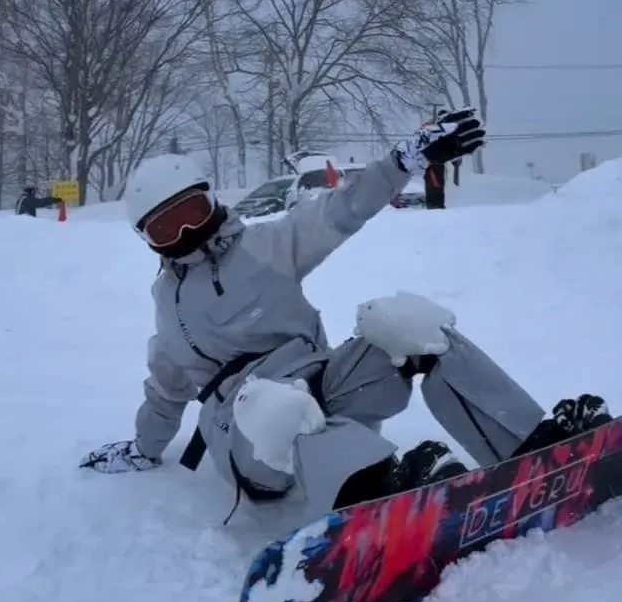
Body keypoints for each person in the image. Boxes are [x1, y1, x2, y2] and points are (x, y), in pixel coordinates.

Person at [80, 109, 611, 524]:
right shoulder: (168, 304)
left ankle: (535, 446)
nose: (184, 235)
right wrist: (144, 447)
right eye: (164, 229)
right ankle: (380, 498)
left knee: (412, 327)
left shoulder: (265, 247)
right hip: (248, 435)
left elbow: (343, 208)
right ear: (148, 240)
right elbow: (165, 388)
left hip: (322, 386)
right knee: (279, 406)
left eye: (190, 213)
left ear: (212, 200)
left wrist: (405, 160)